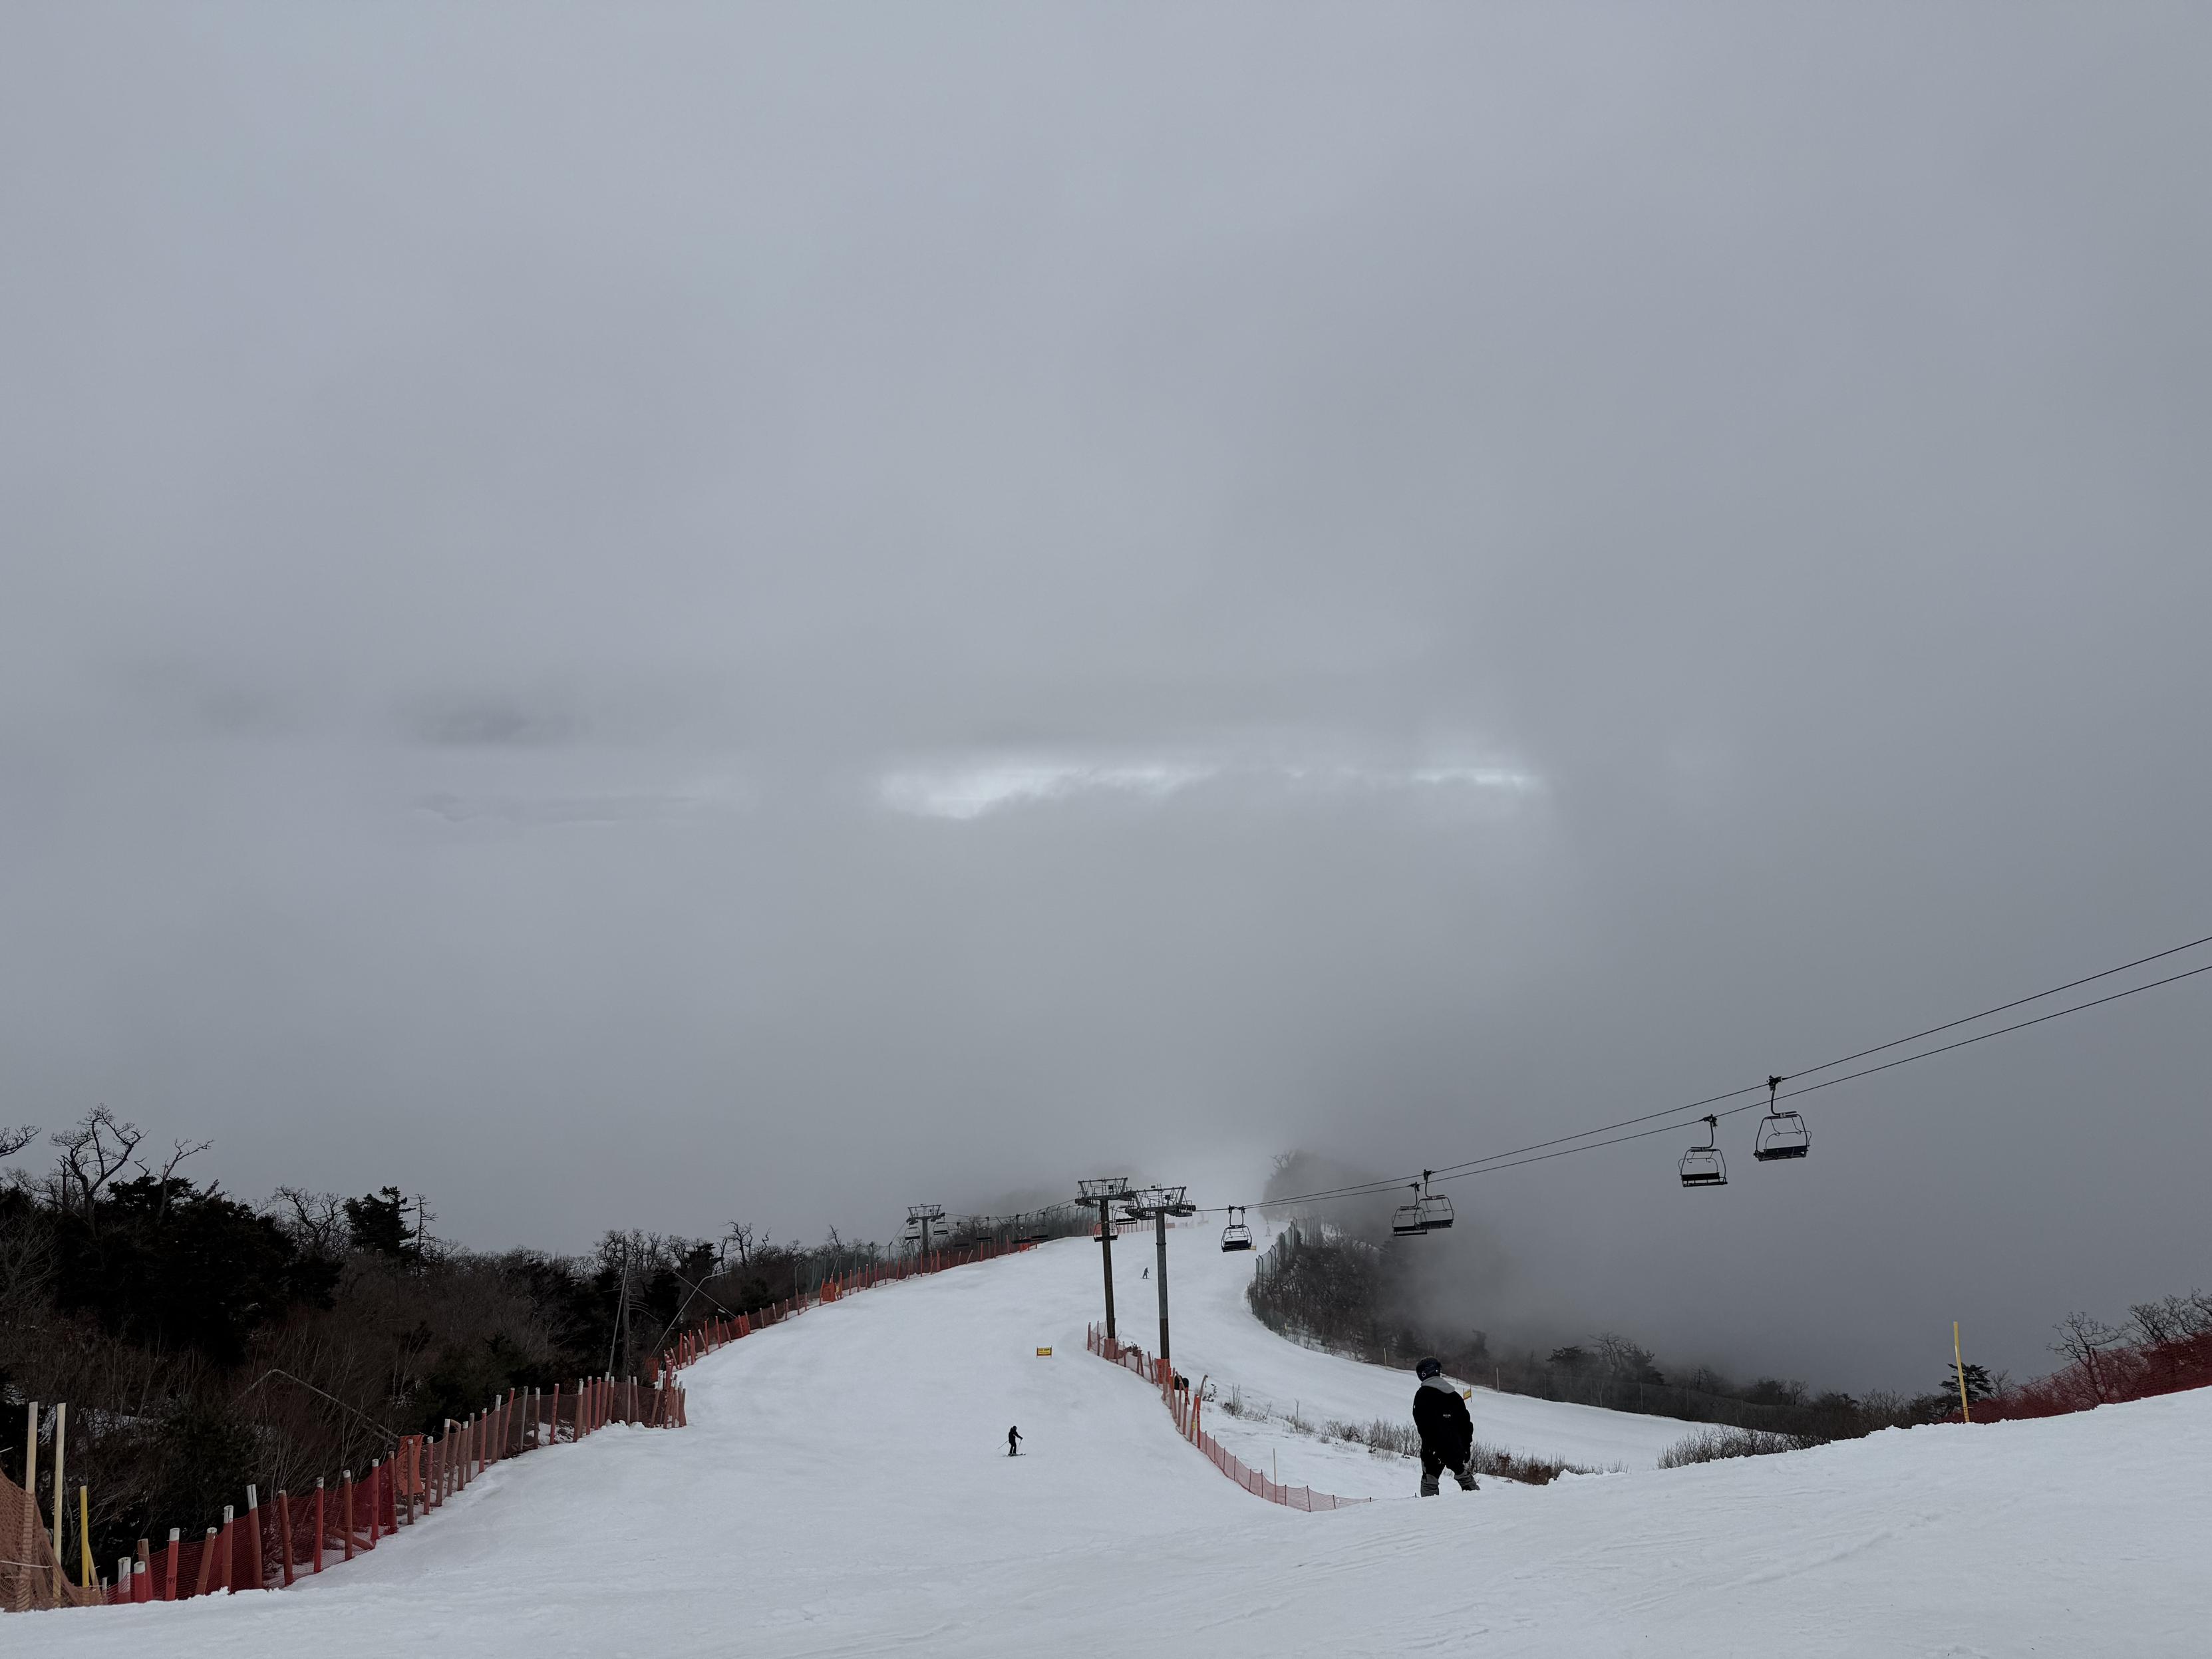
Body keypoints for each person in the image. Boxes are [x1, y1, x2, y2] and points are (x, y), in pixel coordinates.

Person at [1411, 1357, 1478, 1496]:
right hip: (1455, 1447)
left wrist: (1432, 1447)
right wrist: (1466, 1447)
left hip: (1433, 1449)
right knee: (1463, 1475)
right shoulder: (1454, 1396)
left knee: (1430, 1483)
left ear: (1423, 1374)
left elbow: (1422, 1424)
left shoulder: (1423, 1395)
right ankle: (1479, 1503)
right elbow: (1466, 1424)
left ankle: (1431, 1512)